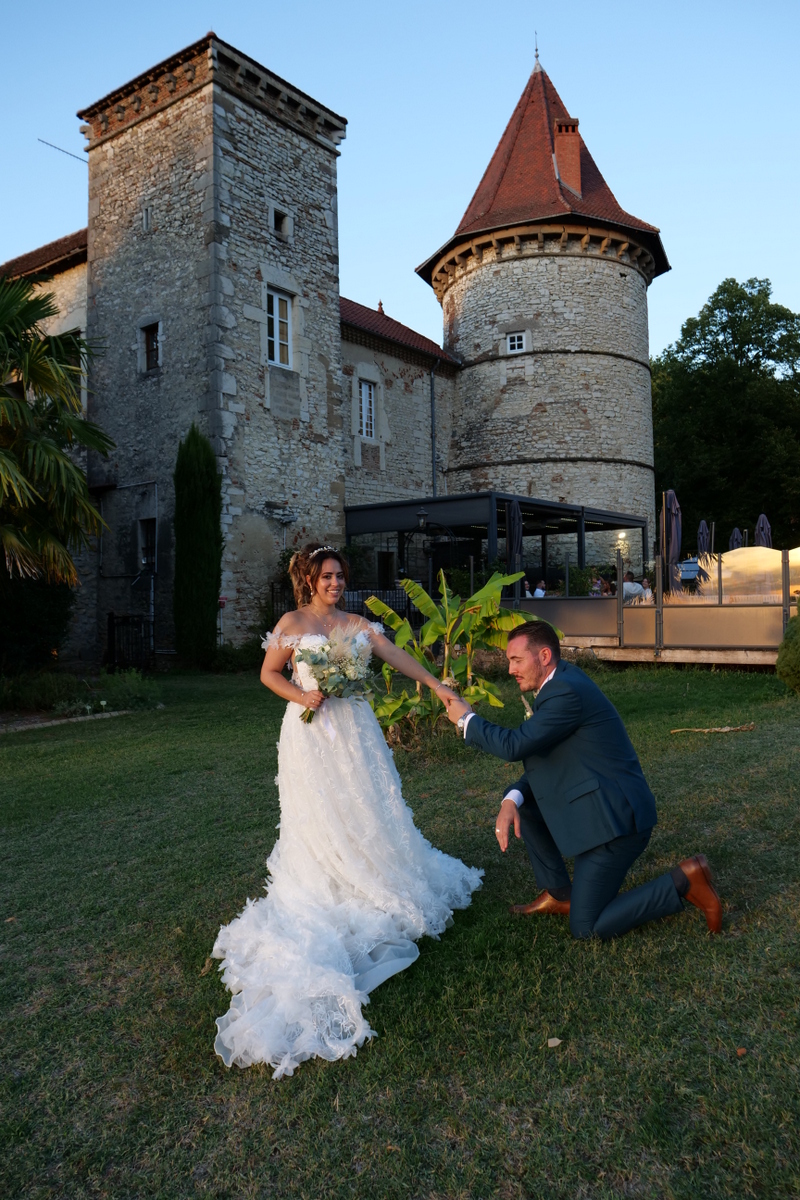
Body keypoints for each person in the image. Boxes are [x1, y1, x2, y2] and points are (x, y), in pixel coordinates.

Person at [212, 544, 482, 1077]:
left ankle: (372, 868)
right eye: (328, 576)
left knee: (365, 808)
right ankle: (327, 872)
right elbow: (268, 674)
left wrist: (436, 685)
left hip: (356, 732)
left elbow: (396, 656)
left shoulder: (358, 622)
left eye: (341, 576)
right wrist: (301, 695)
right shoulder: (292, 622)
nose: (336, 583)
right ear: (310, 579)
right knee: (319, 813)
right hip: (310, 733)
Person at [441, 620, 722, 941]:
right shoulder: (560, 680)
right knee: (526, 806)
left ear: (544, 656)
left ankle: (685, 881)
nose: (509, 669)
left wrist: (467, 719)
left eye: (516, 660)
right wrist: (512, 798)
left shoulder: (565, 692)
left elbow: (514, 746)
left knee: (587, 928)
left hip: (617, 824)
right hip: (602, 806)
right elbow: (545, 758)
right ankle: (561, 894)